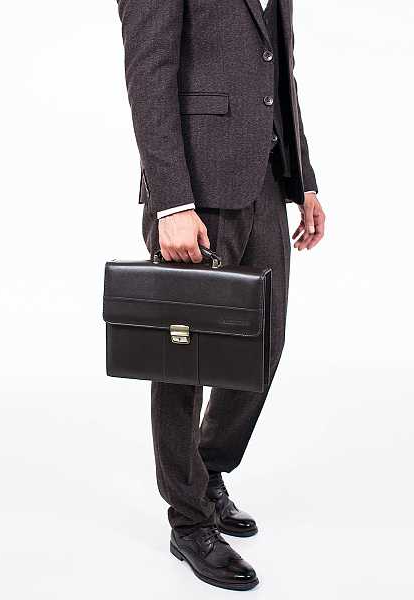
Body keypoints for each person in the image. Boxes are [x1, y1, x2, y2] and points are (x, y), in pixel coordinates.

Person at [117, 0, 325, 591]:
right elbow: (148, 78)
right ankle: (189, 521)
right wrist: (172, 204)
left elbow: (279, 71)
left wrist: (303, 180)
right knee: (183, 362)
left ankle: (208, 470)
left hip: (265, 180)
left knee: (263, 342)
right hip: (194, 192)